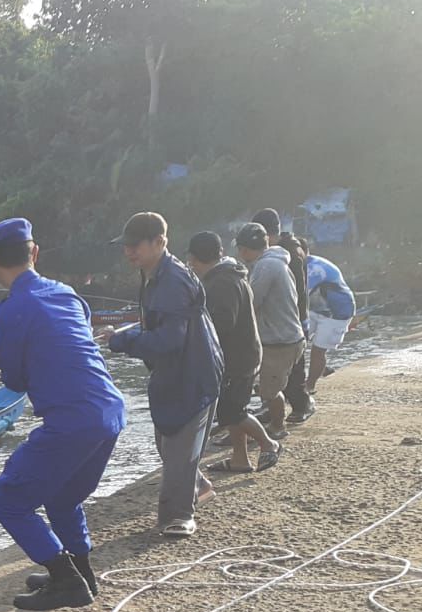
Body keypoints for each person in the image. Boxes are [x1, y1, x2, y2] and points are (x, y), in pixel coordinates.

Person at [0, 217, 126, 609]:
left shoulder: (7, 314)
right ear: (35, 253)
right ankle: (82, 575)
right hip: (110, 412)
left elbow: (14, 380)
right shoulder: (67, 293)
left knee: (6, 499)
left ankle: (66, 581)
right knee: (62, 498)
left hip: (72, 421)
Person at [104, 212, 224, 539]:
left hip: (193, 370)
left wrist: (122, 340)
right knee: (167, 440)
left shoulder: (171, 279)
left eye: (136, 245)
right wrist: (127, 334)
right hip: (174, 371)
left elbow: (170, 340)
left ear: (160, 242)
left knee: (179, 448)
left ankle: (179, 516)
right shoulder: (154, 273)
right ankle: (198, 487)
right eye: (126, 246)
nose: (130, 252)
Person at [186, 230, 281, 475]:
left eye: (192, 261)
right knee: (233, 409)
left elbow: (221, 323)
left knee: (231, 411)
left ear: (196, 259)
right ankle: (240, 459)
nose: (191, 266)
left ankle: (268, 444)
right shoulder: (231, 274)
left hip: (237, 359)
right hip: (244, 355)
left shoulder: (222, 283)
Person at [236, 223, 305, 441]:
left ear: (245, 249)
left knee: (269, 390)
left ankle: (277, 427)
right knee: (263, 385)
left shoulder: (267, 267)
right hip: (284, 336)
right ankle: (271, 423)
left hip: (280, 341)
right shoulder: (275, 262)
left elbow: (251, 302)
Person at [253, 208, 314, 424]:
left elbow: (297, 289)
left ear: (269, 234)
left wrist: (297, 317)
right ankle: (272, 408)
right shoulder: (278, 253)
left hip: (293, 316)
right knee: (276, 370)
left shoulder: (289, 254)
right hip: (285, 317)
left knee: (293, 369)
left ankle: (302, 405)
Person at [302, 242, 355, 390]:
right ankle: (319, 369)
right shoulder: (292, 265)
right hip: (315, 308)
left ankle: (309, 386)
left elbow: (299, 295)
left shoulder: (315, 268)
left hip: (337, 311)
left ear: (305, 252)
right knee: (297, 343)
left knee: (318, 350)